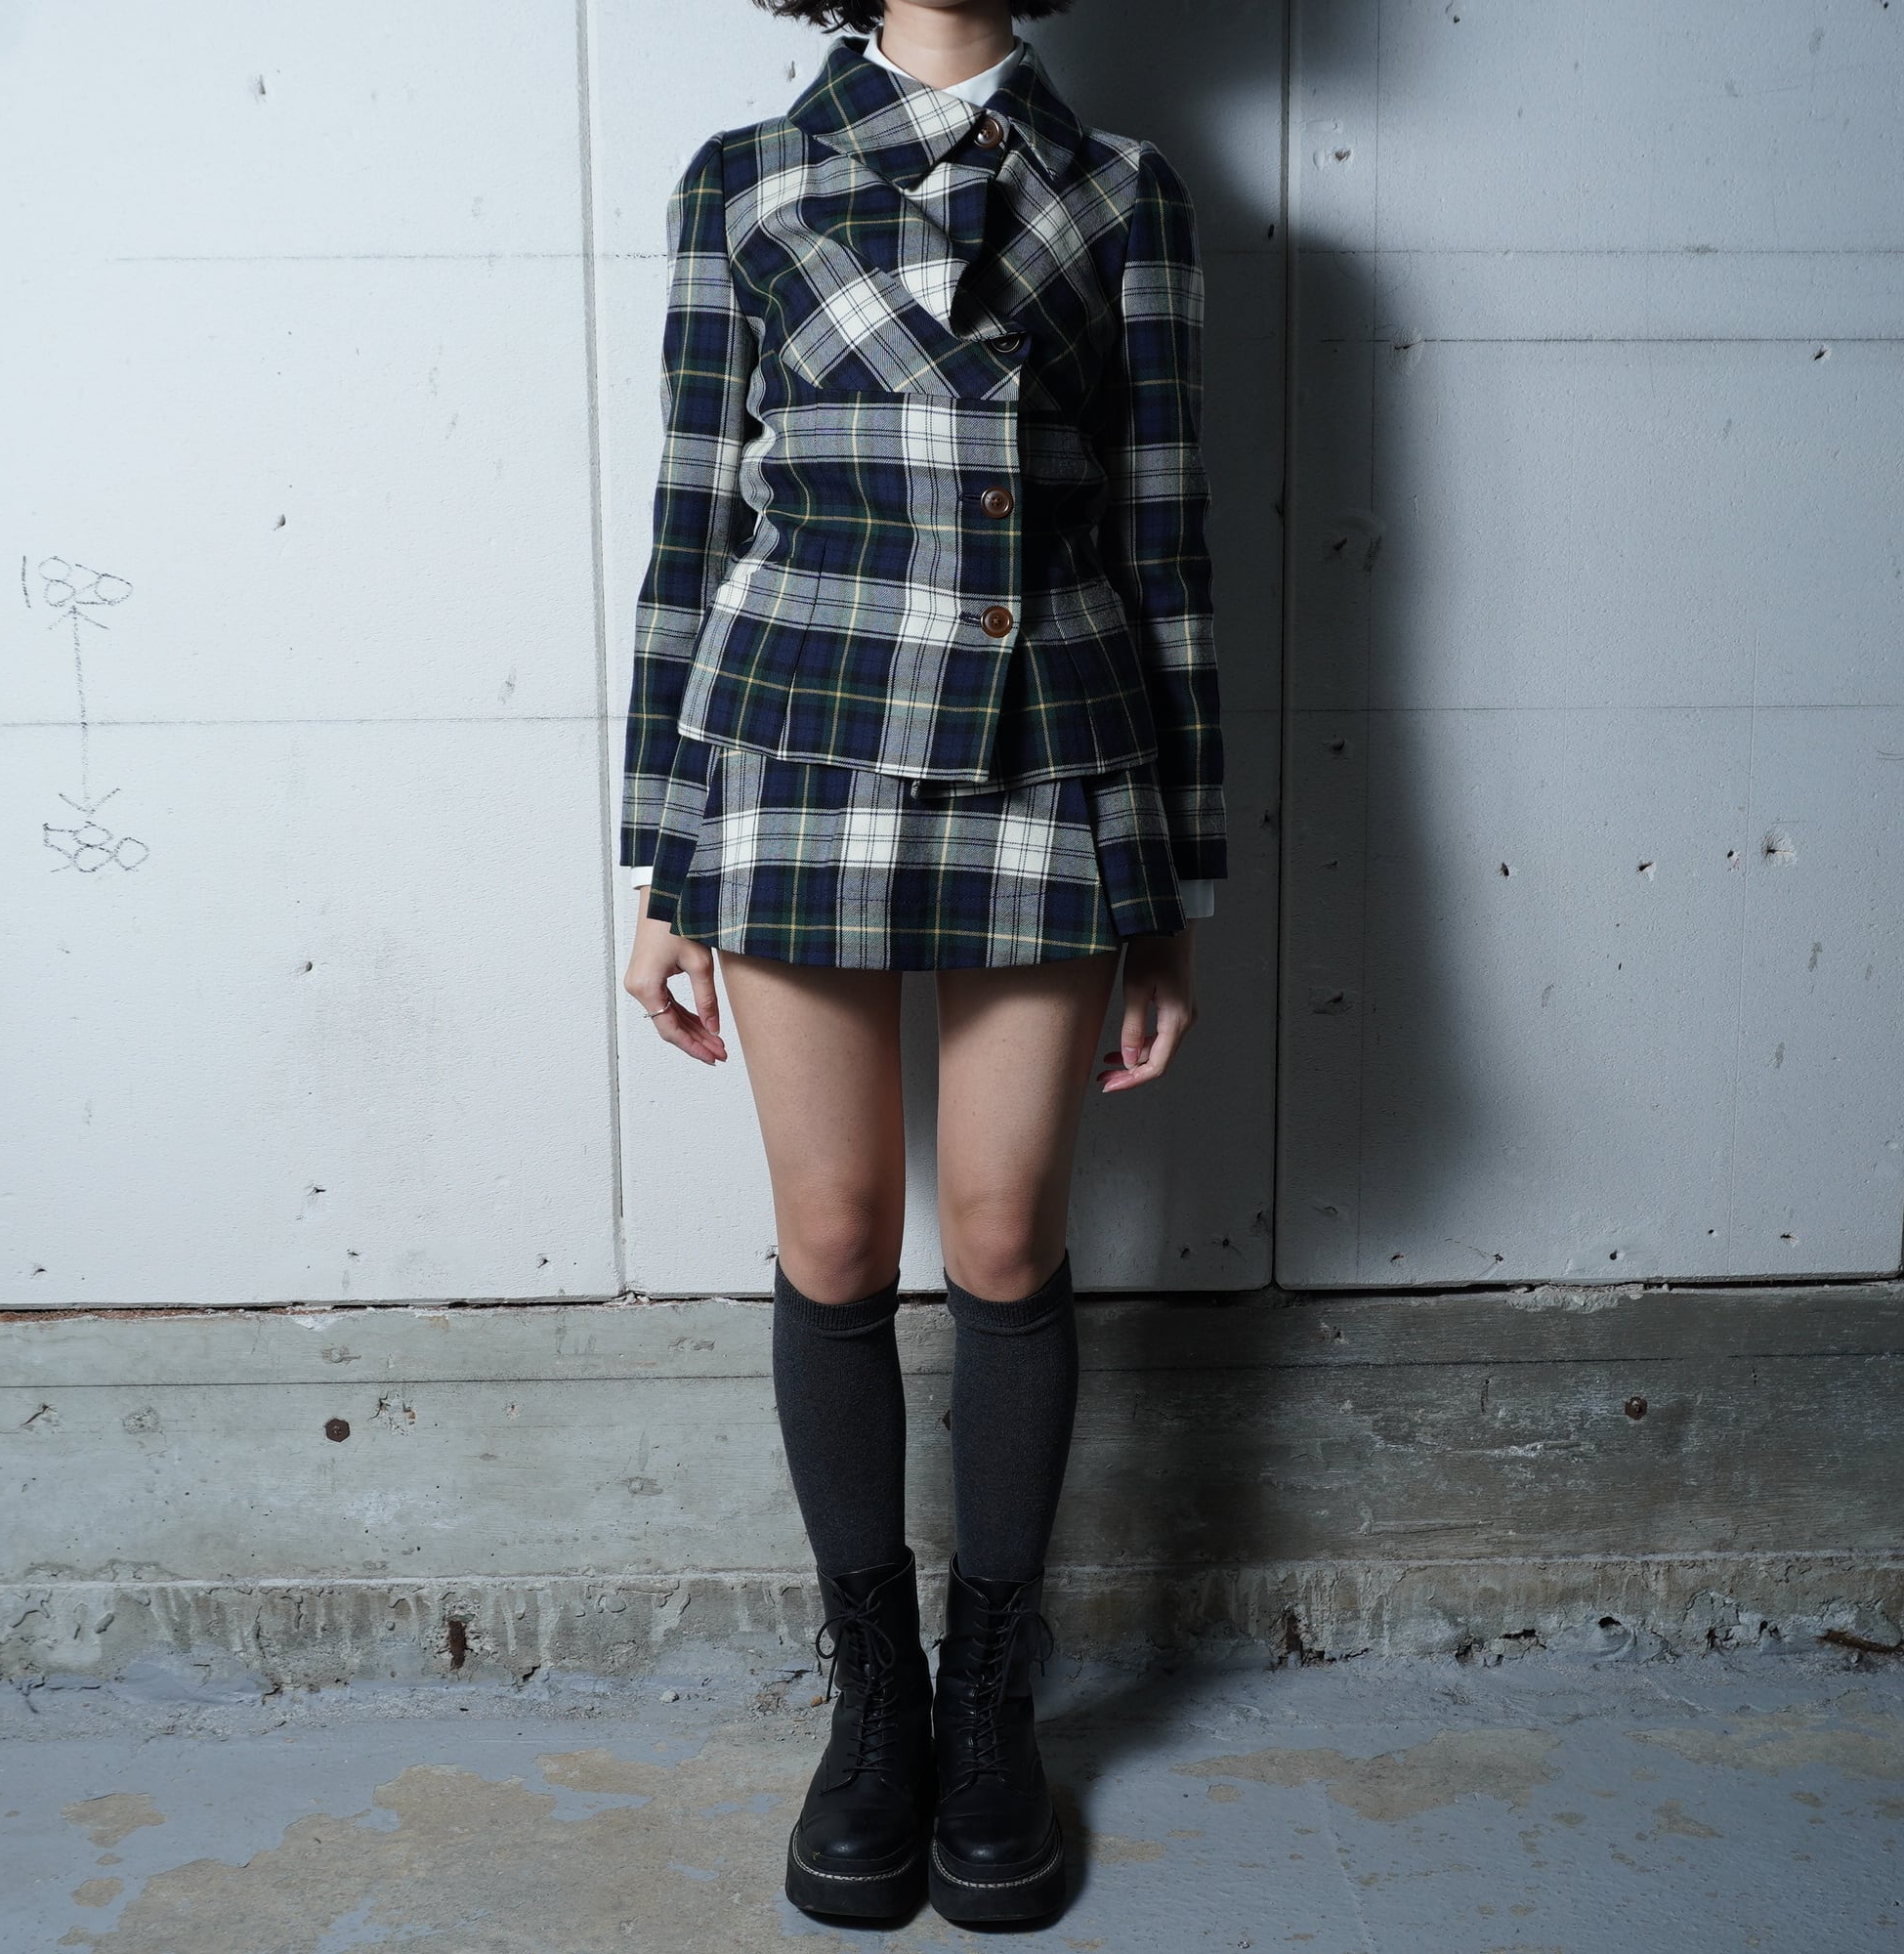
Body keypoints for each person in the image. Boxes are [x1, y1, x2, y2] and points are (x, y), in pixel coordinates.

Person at [617, 0, 1225, 1925]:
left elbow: (1167, 540)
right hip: (795, 742)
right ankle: (871, 1698)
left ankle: (988, 1700)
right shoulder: (743, 180)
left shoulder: (1123, 191)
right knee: (829, 1233)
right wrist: (663, 853)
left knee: (1005, 1231)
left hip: (1051, 744)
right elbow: (691, 522)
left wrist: (1172, 880)